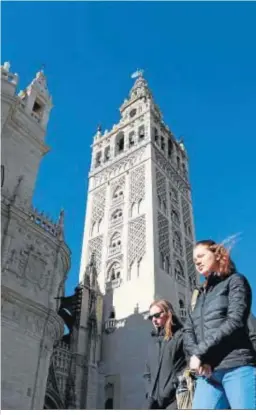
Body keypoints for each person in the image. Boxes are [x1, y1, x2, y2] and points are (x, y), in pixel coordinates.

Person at [183, 239, 256, 409]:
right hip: (208, 373)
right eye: (194, 261)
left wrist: (200, 353)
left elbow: (235, 321)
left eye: (201, 256)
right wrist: (199, 358)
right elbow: (188, 329)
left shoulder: (235, 281)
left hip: (236, 366)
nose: (197, 262)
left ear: (217, 254)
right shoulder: (200, 296)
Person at [143, 299, 187, 409]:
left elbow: (190, 364)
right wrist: (149, 391)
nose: (153, 319)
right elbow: (147, 372)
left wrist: (173, 384)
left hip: (174, 400)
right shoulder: (153, 341)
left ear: (168, 313)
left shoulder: (181, 336)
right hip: (152, 401)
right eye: (151, 317)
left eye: (157, 315)